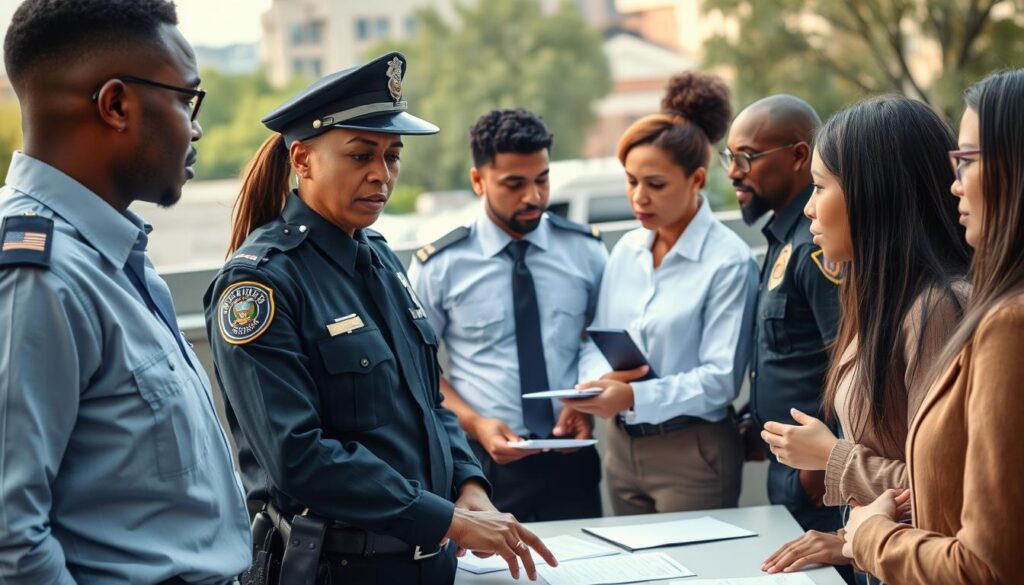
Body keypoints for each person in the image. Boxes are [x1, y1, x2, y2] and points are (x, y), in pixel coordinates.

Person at [204, 53, 556, 585]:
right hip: (336, 568)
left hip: (428, 562)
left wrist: (470, 486)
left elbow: (427, 401)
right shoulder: (259, 285)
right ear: (302, 160)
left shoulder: (378, 256)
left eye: (392, 156)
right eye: (360, 155)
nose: (382, 175)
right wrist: (448, 520)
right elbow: (296, 455)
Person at [0, 1, 252, 583]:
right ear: (116, 104)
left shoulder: (110, 257)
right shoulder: (37, 276)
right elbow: (12, 542)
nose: (196, 127)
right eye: (187, 99)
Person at [759, 95, 971, 576]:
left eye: (819, 187)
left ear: (874, 192)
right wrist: (847, 542)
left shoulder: (940, 308)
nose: (809, 209)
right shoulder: (879, 296)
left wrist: (831, 457)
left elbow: (947, 493)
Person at [842, 69, 1024, 585]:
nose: (954, 183)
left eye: (967, 161)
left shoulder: (1007, 325)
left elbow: (987, 567)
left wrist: (869, 535)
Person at [568, 72, 757, 514]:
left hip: (692, 451)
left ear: (696, 180)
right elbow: (599, 339)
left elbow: (720, 380)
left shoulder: (727, 261)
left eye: (655, 185)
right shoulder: (627, 250)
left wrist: (633, 396)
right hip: (620, 447)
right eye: (631, 181)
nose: (639, 198)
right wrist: (596, 383)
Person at [407, 108, 606, 522]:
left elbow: (603, 341)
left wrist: (587, 399)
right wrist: (476, 423)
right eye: (514, 184)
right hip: (483, 465)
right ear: (478, 181)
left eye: (542, 179)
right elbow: (418, 369)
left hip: (572, 455)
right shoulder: (440, 266)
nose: (533, 196)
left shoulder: (586, 252)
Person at [723, 95, 844, 534]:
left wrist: (821, 471)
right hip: (789, 464)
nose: (734, 172)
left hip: (818, 474)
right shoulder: (783, 235)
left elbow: (849, 357)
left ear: (799, 156)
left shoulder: (815, 244)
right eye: (729, 158)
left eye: (747, 158)